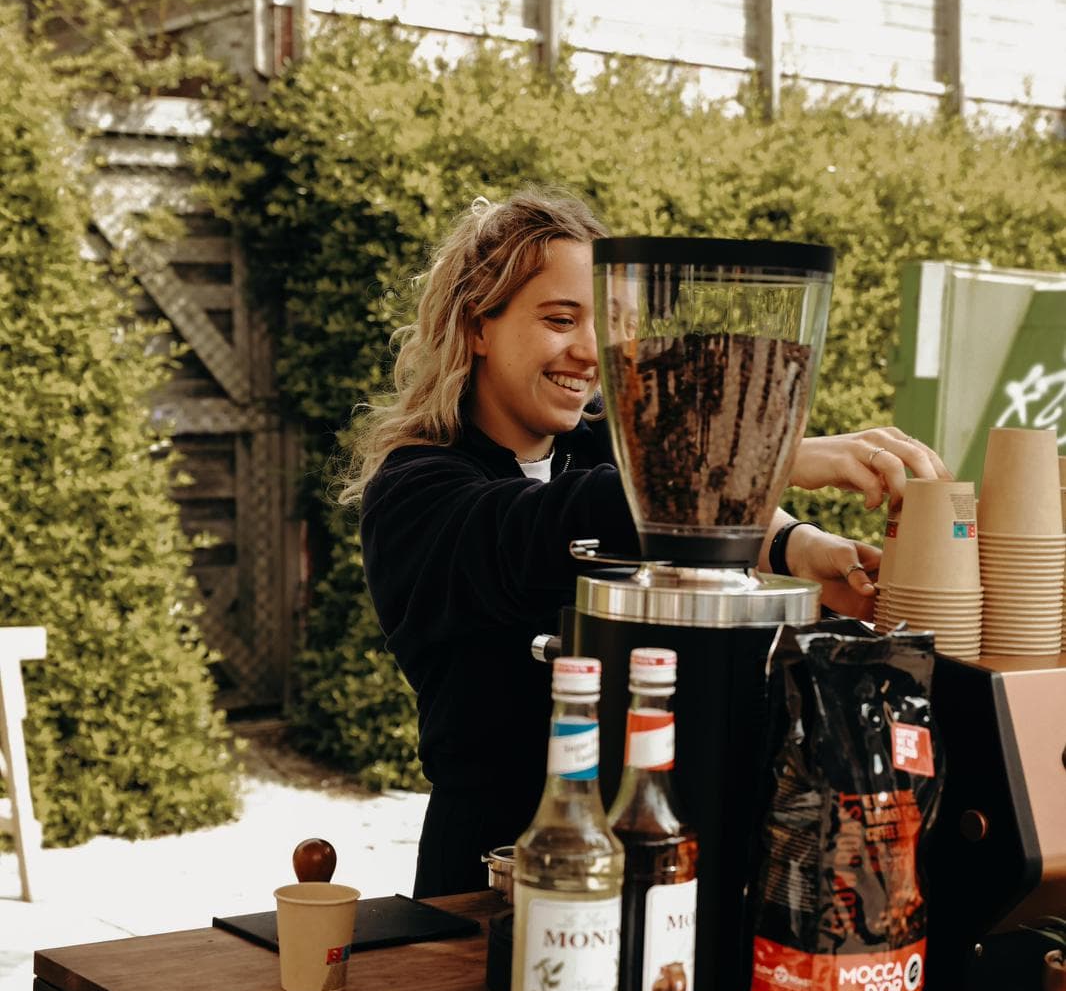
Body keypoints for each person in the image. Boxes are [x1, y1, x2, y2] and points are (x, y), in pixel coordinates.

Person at [347, 190, 949, 896]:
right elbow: (550, 528)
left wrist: (800, 547)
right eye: (559, 319)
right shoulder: (417, 490)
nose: (587, 351)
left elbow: (690, 514)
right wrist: (765, 451)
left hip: (652, 851)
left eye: (608, 327)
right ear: (478, 325)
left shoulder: (597, 446)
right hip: (494, 875)